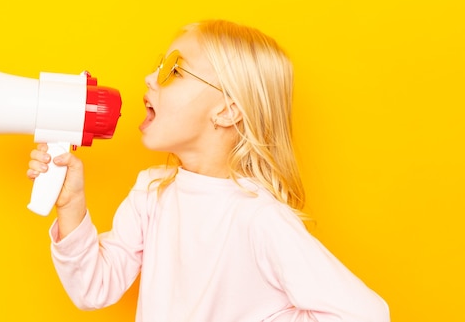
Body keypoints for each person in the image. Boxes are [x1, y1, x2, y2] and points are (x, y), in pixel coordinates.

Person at [27, 20, 390, 322]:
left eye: (174, 70)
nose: (150, 78)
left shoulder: (257, 217)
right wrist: (71, 204)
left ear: (227, 112)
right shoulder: (152, 192)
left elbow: (366, 315)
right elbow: (93, 288)